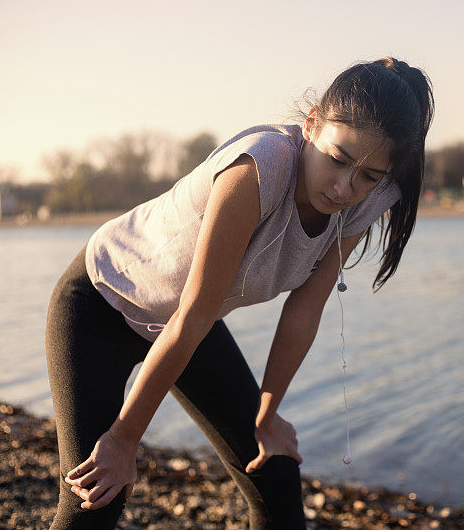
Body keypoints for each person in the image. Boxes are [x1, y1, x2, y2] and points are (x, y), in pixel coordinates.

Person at [45, 56, 434, 529]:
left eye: (369, 175)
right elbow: (191, 314)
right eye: (338, 159)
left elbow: (304, 310)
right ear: (312, 124)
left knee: (276, 477)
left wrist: (268, 415)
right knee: (96, 498)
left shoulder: (368, 198)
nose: (344, 187)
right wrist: (125, 438)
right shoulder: (259, 168)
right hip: (99, 305)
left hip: (189, 324)